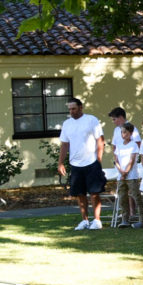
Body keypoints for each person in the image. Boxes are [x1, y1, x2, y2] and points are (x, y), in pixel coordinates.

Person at [58, 97, 106, 230]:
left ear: (80, 107)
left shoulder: (91, 120)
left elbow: (100, 140)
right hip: (76, 164)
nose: (71, 111)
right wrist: (60, 163)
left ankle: (97, 220)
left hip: (91, 162)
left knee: (94, 192)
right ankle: (84, 220)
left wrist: (98, 160)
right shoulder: (67, 124)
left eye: (73, 108)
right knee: (80, 194)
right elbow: (64, 144)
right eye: (69, 109)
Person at [112, 122, 141, 228]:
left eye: (125, 132)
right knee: (122, 197)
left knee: (136, 196)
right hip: (121, 176)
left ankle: (141, 219)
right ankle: (125, 219)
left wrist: (126, 172)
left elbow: (132, 160)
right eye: (122, 132)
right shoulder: (119, 146)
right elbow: (116, 160)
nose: (123, 134)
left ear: (131, 133)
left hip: (131, 175)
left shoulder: (133, 145)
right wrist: (121, 172)